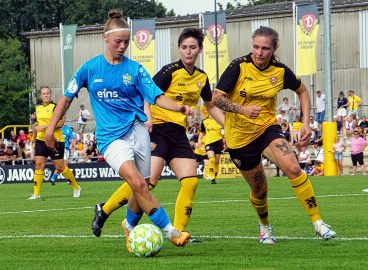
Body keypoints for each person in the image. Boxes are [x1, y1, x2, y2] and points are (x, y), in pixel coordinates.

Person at [45, 10, 194, 250]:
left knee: (142, 186)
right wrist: (50, 129)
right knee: (137, 182)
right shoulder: (89, 69)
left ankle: (128, 225)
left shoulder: (135, 70)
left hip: (138, 130)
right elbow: (65, 98)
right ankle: (171, 232)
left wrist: (179, 107)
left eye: (126, 41)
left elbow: (156, 96)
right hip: (110, 138)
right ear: (105, 38)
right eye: (118, 41)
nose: (123, 46)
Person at [87, 27, 224, 243]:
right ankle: (105, 211)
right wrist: (147, 117)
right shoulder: (169, 71)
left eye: (193, 48)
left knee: (190, 182)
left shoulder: (202, 77)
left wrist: (228, 126)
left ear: (200, 50)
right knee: (146, 183)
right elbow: (145, 92)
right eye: (184, 47)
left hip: (178, 133)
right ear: (179, 48)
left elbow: (210, 105)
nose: (188, 52)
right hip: (157, 130)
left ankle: (178, 233)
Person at [211, 26, 336, 244]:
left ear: (274, 48)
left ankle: (318, 223)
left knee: (293, 167)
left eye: (265, 48)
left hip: (266, 129)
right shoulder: (238, 67)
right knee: (260, 190)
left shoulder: (279, 71)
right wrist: (242, 109)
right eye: (256, 47)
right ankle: (265, 227)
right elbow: (216, 99)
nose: (259, 52)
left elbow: (303, 91)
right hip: (239, 137)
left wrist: (305, 123)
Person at [28, 86, 81, 200]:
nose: (46, 95)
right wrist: (34, 138)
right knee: (38, 165)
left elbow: (61, 123)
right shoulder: (38, 108)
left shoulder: (55, 107)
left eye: (47, 93)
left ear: (50, 95)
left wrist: (45, 126)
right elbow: (37, 126)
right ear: (40, 96)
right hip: (41, 140)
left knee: (60, 167)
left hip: (55, 140)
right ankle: (36, 193)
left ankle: (76, 187)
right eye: (43, 93)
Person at [198, 106, 224, 184]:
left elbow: (224, 131)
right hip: (209, 142)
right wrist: (199, 139)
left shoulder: (220, 121)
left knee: (216, 161)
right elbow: (202, 132)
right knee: (211, 159)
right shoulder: (205, 121)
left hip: (219, 142)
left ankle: (214, 178)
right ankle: (210, 175)